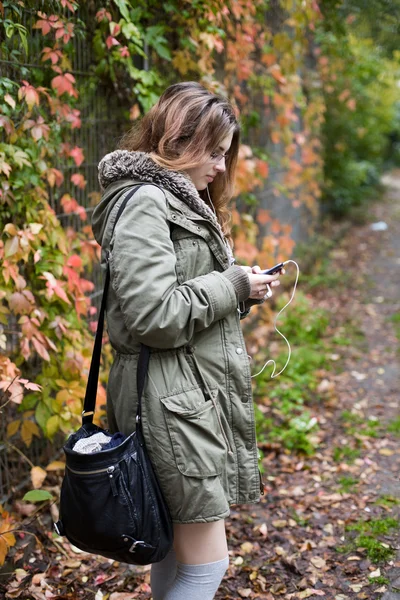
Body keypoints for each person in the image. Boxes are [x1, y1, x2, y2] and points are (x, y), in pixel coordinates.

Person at [92, 81, 282, 600]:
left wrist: (242, 291)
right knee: (208, 563)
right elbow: (155, 316)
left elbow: (177, 295)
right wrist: (233, 283)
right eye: (214, 153)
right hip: (167, 401)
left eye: (225, 154)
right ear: (178, 140)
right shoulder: (146, 202)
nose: (220, 167)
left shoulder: (172, 198)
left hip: (180, 394)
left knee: (176, 551)